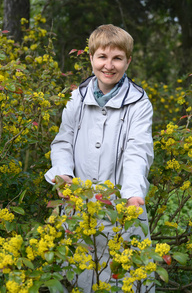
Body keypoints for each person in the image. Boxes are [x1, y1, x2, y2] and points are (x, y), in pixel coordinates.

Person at [45, 24, 154, 292]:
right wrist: (62, 174)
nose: (109, 65)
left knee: (125, 279)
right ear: (91, 58)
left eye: (117, 58)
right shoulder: (77, 98)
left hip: (122, 208)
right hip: (79, 206)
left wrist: (133, 194)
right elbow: (63, 141)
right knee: (81, 280)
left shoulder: (139, 104)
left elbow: (137, 151)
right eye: (102, 57)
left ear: (128, 60)